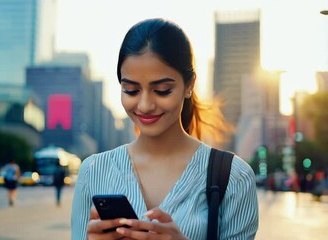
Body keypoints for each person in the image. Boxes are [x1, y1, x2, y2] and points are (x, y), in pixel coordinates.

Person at [71, 18, 258, 240]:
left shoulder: (234, 177)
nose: (145, 105)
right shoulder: (93, 171)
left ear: (189, 85)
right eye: (131, 90)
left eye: (162, 90)